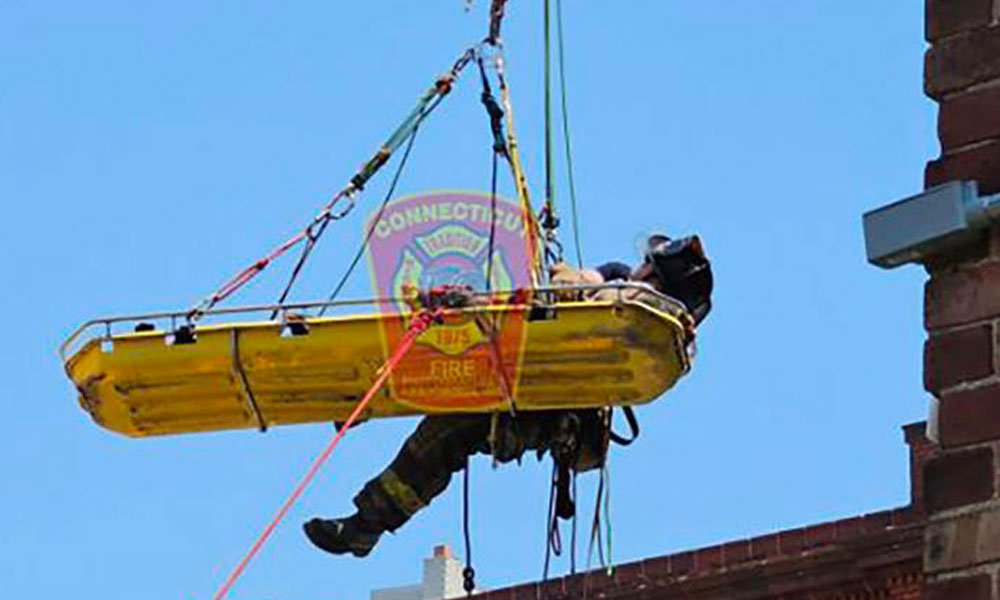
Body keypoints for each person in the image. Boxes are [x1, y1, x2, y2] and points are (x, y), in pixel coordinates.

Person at [303, 233, 713, 557]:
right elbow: (582, 283)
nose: (639, 268)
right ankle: (371, 400)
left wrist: (574, 287)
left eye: (648, 266)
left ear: (658, 279)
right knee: (451, 369)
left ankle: (366, 525)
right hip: (524, 376)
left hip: (550, 408)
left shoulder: (646, 316)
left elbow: (598, 302)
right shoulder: (619, 280)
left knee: (448, 431)